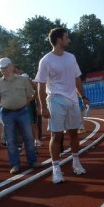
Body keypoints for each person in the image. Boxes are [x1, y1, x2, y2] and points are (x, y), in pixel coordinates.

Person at [35, 28, 88, 184]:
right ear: (59, 40)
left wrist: (83, 96)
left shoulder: (71, 57)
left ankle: (76, 162)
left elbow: (77, 79)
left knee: (74, 134)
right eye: (66, 37)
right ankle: (56, 168)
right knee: (56, 135)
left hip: (72, 100)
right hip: (56, 99)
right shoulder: (46, 60)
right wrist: (43, 107)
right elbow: (41, 85)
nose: (69, 40)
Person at [0, 58, 41, 174]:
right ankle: (15, 164)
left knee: (28, 137)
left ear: (11, 66)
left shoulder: (23, 80)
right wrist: (8, 106)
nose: (3, 70)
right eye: (1, 68)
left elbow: (31, 95)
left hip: (22, 111)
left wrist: (23, 104)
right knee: (10, 140)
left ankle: (32, 161)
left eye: (5, 67)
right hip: (7, 113)